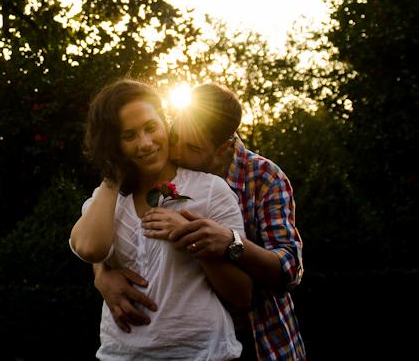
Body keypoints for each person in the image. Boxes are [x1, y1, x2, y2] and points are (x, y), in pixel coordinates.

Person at [95, 83, 305, 360]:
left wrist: (231, 242)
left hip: (258, 335)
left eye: (192, 146)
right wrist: (101, 274)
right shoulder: (157, 174)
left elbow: (289, 270)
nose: (176, 150)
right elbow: (120, 226)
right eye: (175, 135)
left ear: (223, 149)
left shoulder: (264, 177)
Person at [70, 79, 252, 360]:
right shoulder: (107, 198)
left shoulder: (211, 190)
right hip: (122, 354)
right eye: (128, 136)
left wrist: (193, 239)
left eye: (151, 128)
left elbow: (242, 294)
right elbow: (90, 249)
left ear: (164, 121)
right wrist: (112, 176)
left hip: (204, 353)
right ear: (113, 143)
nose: (145, 144)